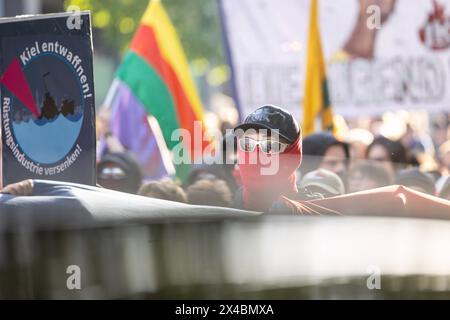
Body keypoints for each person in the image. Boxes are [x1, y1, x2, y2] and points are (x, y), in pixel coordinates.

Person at [232, 104, 318, 212]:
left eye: (270, 145)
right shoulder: (227, 204)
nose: (256, 155)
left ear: (293, 152)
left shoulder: (315, 213)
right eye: (247, 144)